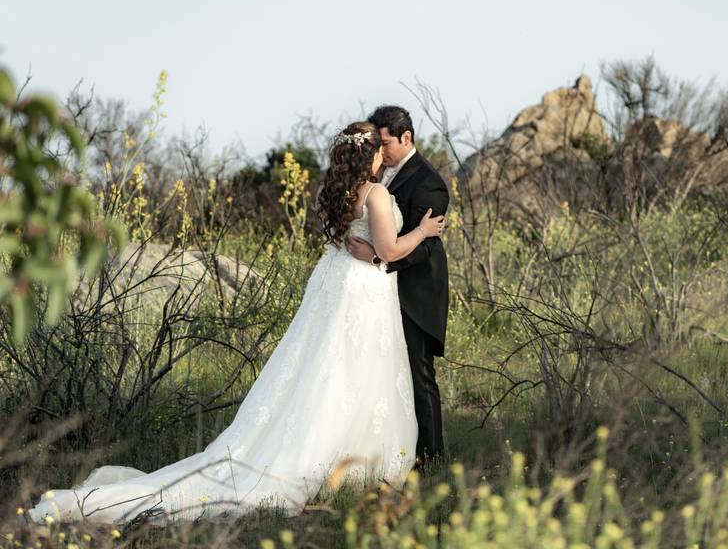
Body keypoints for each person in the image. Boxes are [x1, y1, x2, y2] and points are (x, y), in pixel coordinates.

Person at [27, 121, 444, 525]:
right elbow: (388, 251)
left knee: (325, 369)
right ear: (369, 155)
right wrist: (423, 231)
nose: (382, 160)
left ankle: (340, 455)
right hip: (363, 291)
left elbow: (342, 241)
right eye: (378, 152)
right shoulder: (373, 194)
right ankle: (349, 461)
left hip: (336, 285)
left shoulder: (332, 193)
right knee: (356, 369)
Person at [346, 106, 449, 466]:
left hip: (415, 293)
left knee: (419, 373)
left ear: (406, 138)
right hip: (377, 293)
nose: (380, 149)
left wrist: (378, 258)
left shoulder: (429, 182)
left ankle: (433, 458)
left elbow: (426, 246)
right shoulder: (378, 176)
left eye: (385, 142)